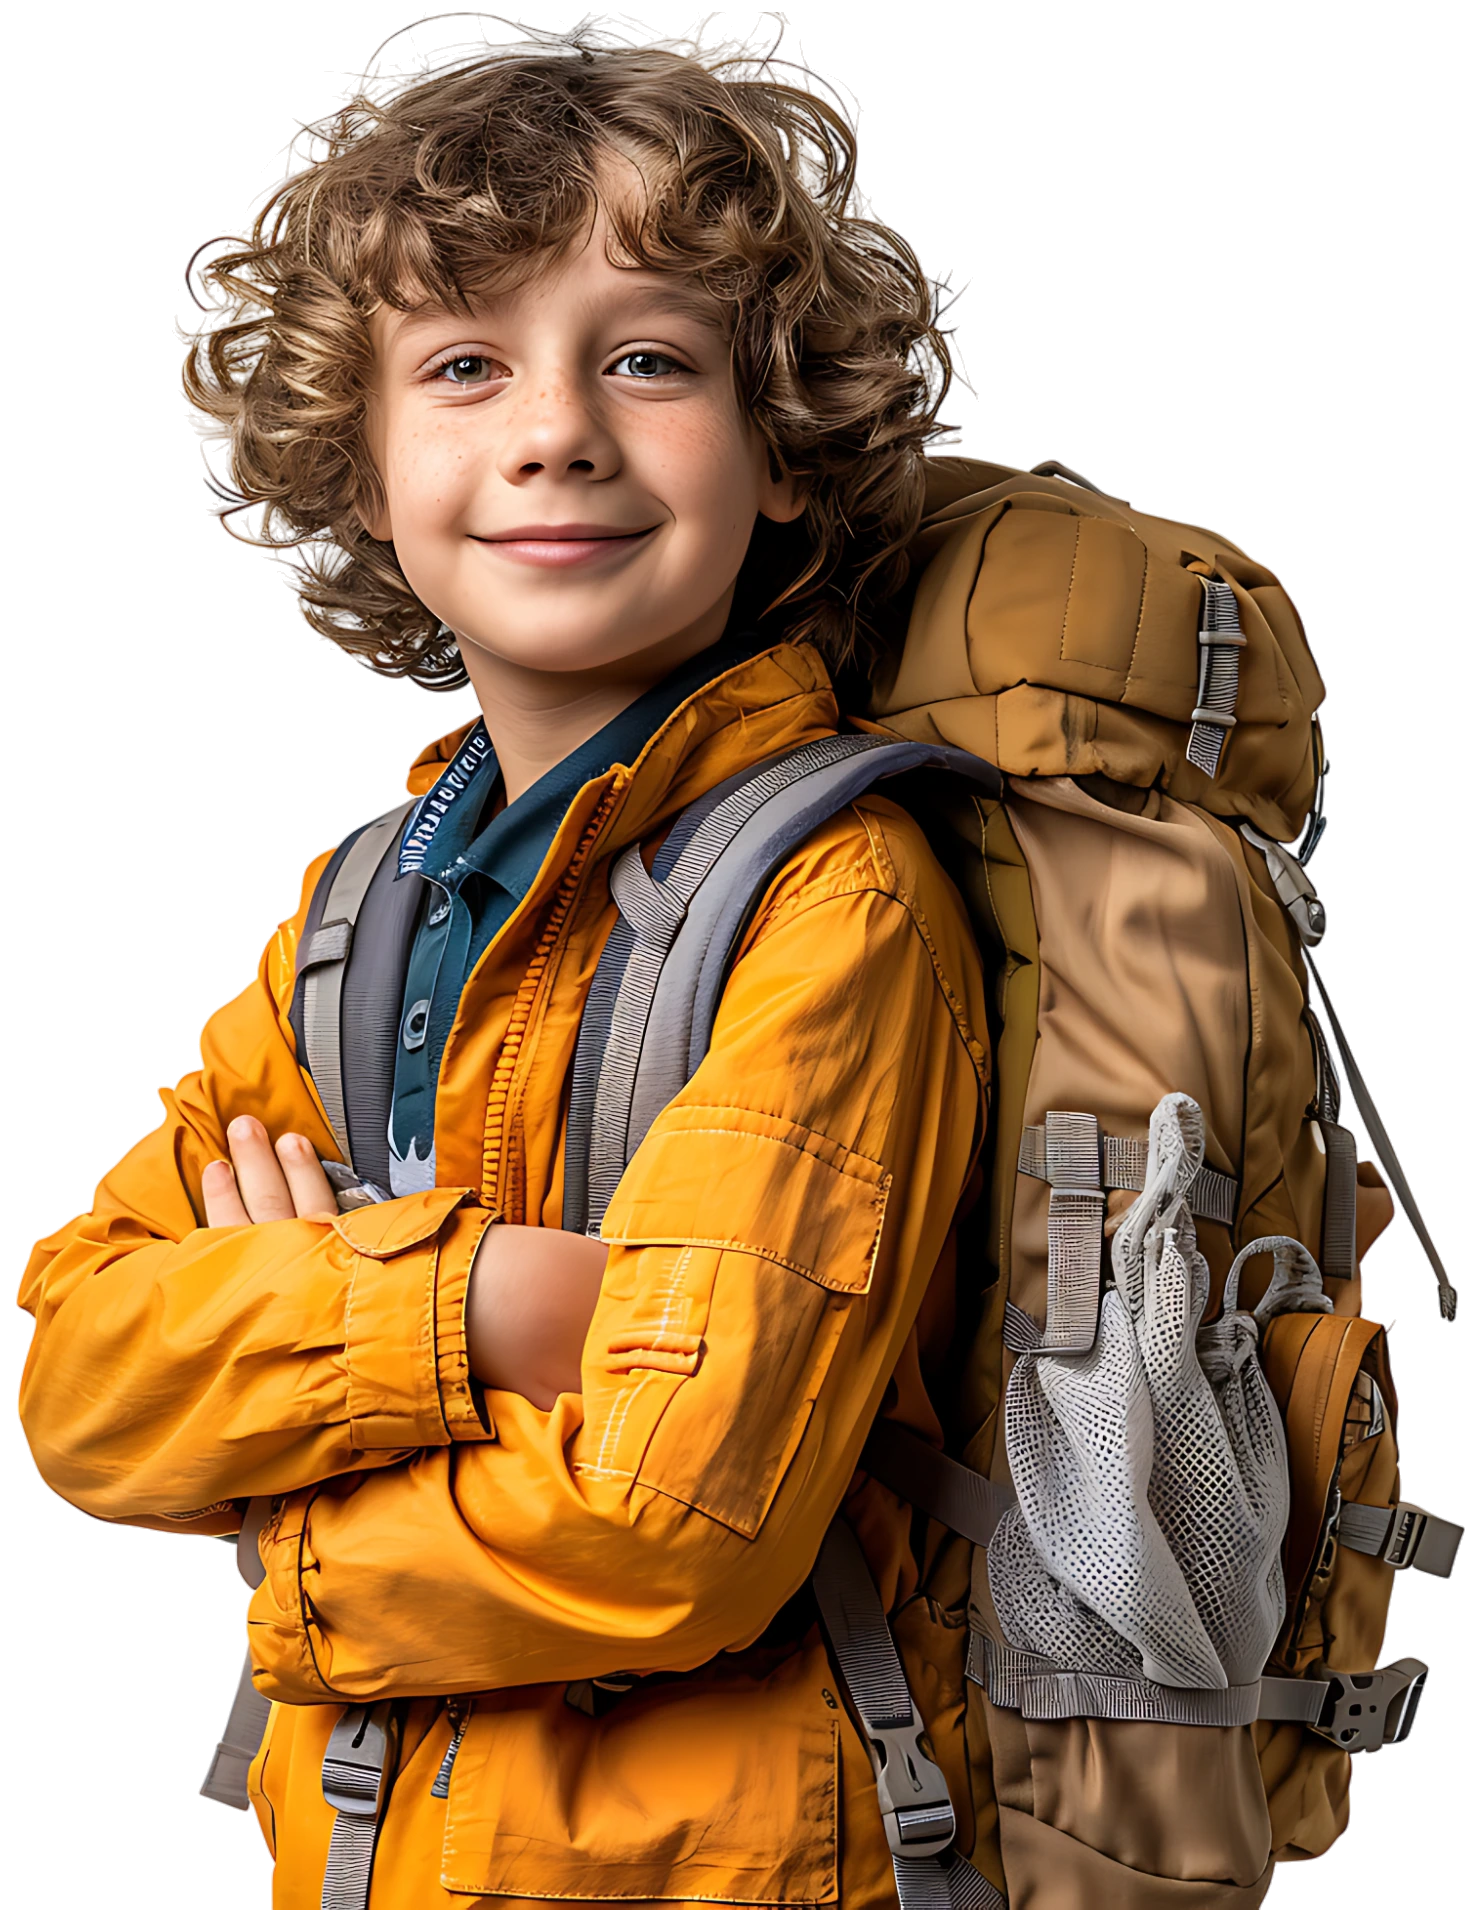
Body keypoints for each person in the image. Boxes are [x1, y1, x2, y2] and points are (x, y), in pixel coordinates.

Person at [16, 31, 990, 1910]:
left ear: (784, 451)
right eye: (465, 365)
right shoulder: (367, 908)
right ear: (363, 469)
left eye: (651, 360)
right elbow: (74, 1375)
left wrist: (280, 1498)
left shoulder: (835, 903)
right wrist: (484, 1307)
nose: (558, 431)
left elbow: (670, 1522)